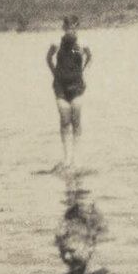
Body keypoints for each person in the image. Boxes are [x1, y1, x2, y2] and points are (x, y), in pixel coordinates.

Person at [45, 16, 92, 169]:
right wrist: (55, 74)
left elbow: (90, 57)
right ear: (63, 27)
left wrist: (84, 73)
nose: (71, 29)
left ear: (77, 28)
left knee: (76, 121)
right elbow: (48, 58)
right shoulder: (56, 43)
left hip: (77, 87)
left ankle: (76, 159)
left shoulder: (82, 44)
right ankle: (67, 158)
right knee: (65, 121)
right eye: (68, 27)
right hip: (60, 87)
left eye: (74, 27)